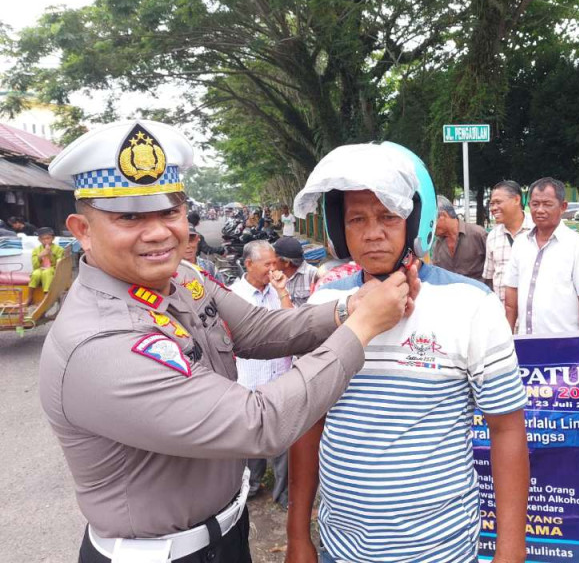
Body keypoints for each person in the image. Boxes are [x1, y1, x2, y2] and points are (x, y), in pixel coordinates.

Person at [40, 119, 417, 563]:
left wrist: (347, 307)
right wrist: (363, 327)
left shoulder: (180, 277)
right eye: (129, 216)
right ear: (82, 230)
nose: (159, 232)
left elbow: (256, 329)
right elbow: (257, 424)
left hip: (227, 535)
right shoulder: (100, 342)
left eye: (169, 212)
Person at [287, 141, 529, 563]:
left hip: (441, 549)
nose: (372, 232)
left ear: (417, 221)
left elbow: (506, 429)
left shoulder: (471, 304)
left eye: (387, 216)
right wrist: (297, 536)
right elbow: (308, 426)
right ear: (339, 230)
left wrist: (511, 551)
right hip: (340, 548)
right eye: (356, 219)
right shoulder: (323, 307)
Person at [230, 240, 293, 505]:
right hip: (249, 383)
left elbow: (293, 328)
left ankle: (285, 494)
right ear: (248, 264)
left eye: (275, 263)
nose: (273, 269)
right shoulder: (233, 296)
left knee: (284, 440)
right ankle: (250, 488)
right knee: (251, 441)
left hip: (281, 379)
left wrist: (282, 293)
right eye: (267, 264)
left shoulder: (275, 292)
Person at [504, 178, 579, 334]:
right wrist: (507, 336)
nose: (540, 210)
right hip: (526, 342)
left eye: (547, 204)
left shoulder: (578, 246)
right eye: (535, 204)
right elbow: (511, 292)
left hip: (564, 342)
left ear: (563, 207)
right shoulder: (520, 244)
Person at [483, 180, 534, 307]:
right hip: (503, 315)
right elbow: (489, 278)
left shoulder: (537, 229)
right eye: (491, 204)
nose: (493, 208)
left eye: (498, 202)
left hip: (533, 315)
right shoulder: (492, 236)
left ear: (517, 199)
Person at [432, 194, 487, 281]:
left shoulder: (478, 234)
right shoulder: (437, 245)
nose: (430, 228)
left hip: (479, 292)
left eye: (432, 222)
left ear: (443, 215)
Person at [272, 236, 319, 306]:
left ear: (286, 262)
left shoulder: (314, 275)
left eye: (274, 256)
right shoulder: (274, 276)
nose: (272, 259)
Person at [28, 227, 65, 294]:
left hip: (53, 269)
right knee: (35, 274)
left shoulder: (60, 249)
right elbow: (35, 266)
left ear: (53, 238)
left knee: (46, 272)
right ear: (39, 240)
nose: (46, 240)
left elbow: (59, 264)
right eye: (43, 239)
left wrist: (50, 254)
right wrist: (40, 256)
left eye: (48, 238)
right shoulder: (36, 250)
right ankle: (30, 296)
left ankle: (46, 294)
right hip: (40, 268)